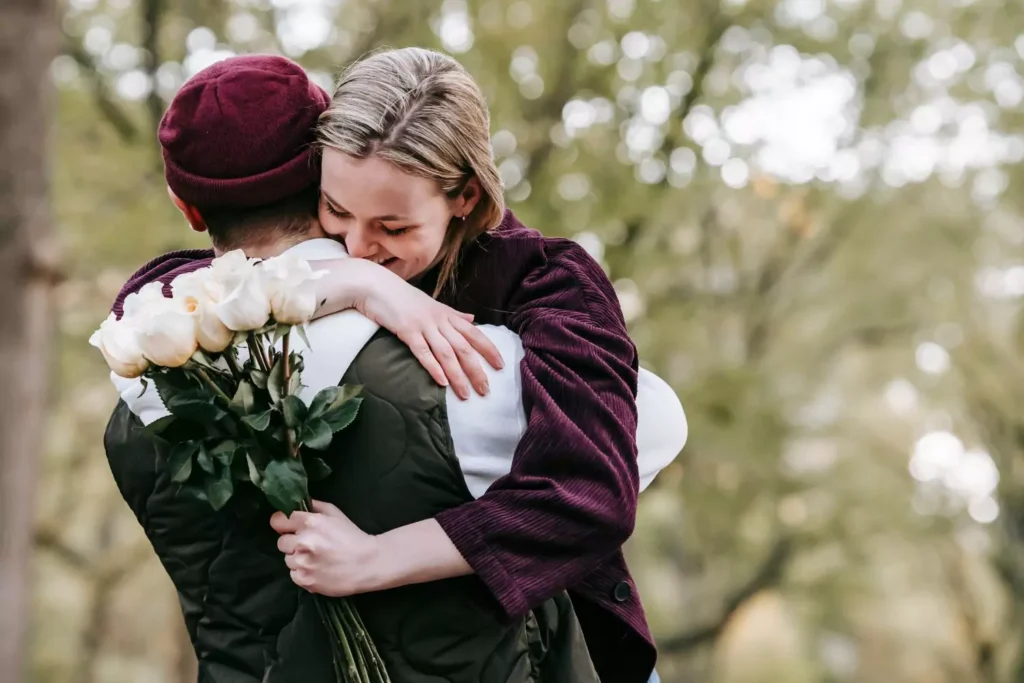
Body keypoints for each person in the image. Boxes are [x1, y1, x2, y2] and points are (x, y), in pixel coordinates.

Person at [106, 55, 685, 682]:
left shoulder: (549, 287)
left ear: (466, 196)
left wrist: (378, 559)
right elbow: (150, 306)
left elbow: (595, 490)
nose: (357, 245)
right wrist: (356, 282)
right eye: (335, 211)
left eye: (393, 226)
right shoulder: (343, 271)